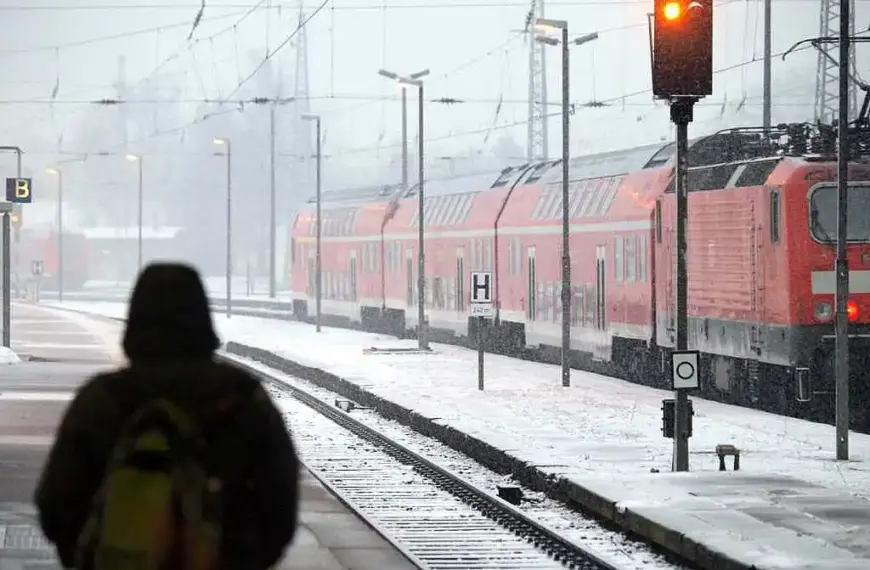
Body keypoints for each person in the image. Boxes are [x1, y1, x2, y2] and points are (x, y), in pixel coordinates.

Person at [34, 262, 300, 570]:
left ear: (134, 321)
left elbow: (56, 503)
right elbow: (280, 501)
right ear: (202, 319)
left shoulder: (101, 401)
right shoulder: (242, 399)